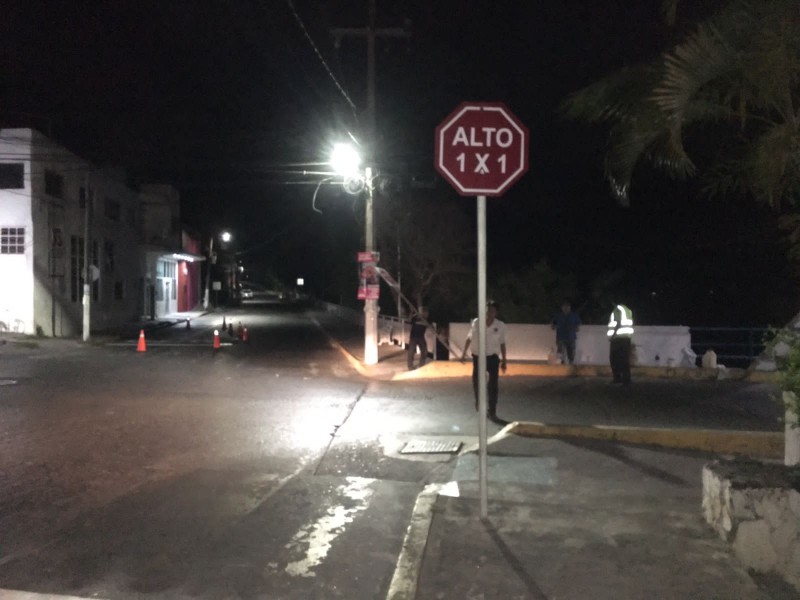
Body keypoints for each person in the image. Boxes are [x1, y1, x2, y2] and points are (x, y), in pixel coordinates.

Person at [460, 301, 507, 420]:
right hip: (478, 357)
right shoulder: (476, 322)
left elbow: (502, 343)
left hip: (493, 358)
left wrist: (504, 360)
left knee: (493, 385)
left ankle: (492, 410)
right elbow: (469, 337)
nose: (489, 313)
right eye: (487, 310)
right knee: (477, 382)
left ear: (496, 312)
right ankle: (479, 403)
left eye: (492, 310)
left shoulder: (500, 325)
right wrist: (464, 353)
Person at [607, 303, 634, 384]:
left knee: (614, 359)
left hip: (618, 338)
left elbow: (618, 324)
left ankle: (617, 378)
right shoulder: (627, 310)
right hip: (626, 338)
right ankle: (626, 380)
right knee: (624, 359)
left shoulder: (617, 309)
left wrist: (612, 336)